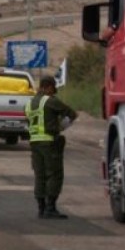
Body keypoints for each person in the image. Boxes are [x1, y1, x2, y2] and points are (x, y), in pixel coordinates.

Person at [25, 75, 78, 219]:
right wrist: (61, 126)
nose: (53, 92)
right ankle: (51, 207)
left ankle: (41, 208)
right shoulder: (50, 101)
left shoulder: (30, 103)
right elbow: (72, 114)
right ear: (47, 87)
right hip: (49, 143)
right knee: (54, 175)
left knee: (40, 175)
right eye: (52, 89)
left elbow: (28, 123)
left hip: (34, 143)